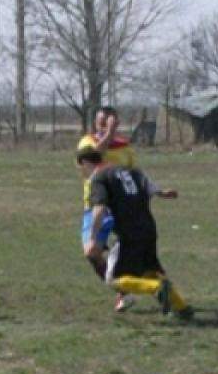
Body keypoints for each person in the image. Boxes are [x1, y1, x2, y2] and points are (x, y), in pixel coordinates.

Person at [78, 147, 190, 320]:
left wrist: (92, 236)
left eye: (81, 167)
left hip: (128, 234)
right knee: (150, 271)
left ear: (86, 162)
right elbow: (148, 184)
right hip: (148, 228)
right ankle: (182, 307)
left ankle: (157, 288)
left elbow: (99, 208)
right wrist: (161, 192)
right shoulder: (129, 170)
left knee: (113, 279)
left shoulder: (99, 178)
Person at [77, 106, 138, 311]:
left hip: (121, 208)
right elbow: (93, 159)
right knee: (91, 252)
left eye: (108, 121)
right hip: (95, 205)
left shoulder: (125, 148)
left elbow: (134, 177)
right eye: (101, 121)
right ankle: (122, 290)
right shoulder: (87, 143)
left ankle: (137, 286)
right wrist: (109, 134)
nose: (104, 125)